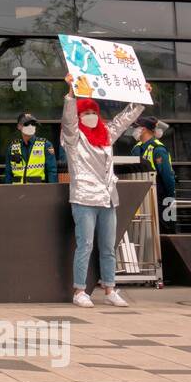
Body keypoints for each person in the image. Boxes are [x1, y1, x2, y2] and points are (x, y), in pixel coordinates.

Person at [61, 75, 145, 307]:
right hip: (84, 199)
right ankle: (80, 291)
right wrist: (71, 94)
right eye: (85, 113)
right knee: (85, 245)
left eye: (93, 113)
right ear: (79, 116)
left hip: (108, 199)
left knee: (108, 247)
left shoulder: (106, 134)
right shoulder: (74, 138)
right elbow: (68, 121)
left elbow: (123, 120)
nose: (90, 116)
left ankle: (110, 288)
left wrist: (140, 100)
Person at [131, 115, 177, 233]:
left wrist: (170, 197)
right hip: (141, 196)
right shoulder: (137, 148)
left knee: (164, 229)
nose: (133, 130)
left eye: (136, 128)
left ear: (144, 129)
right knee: (143, 230)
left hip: (160, 195)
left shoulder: (158, 149)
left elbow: (167, 176)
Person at [3, 112, 57, 184]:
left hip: (38, 190)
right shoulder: (12, 147)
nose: (30, 126)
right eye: (26, 124)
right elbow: (8, 172)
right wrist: (7, 192)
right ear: (19, 126)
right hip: (16, 191)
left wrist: (52, 192)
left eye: (33, 124)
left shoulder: (45, 145)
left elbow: (52, 171)